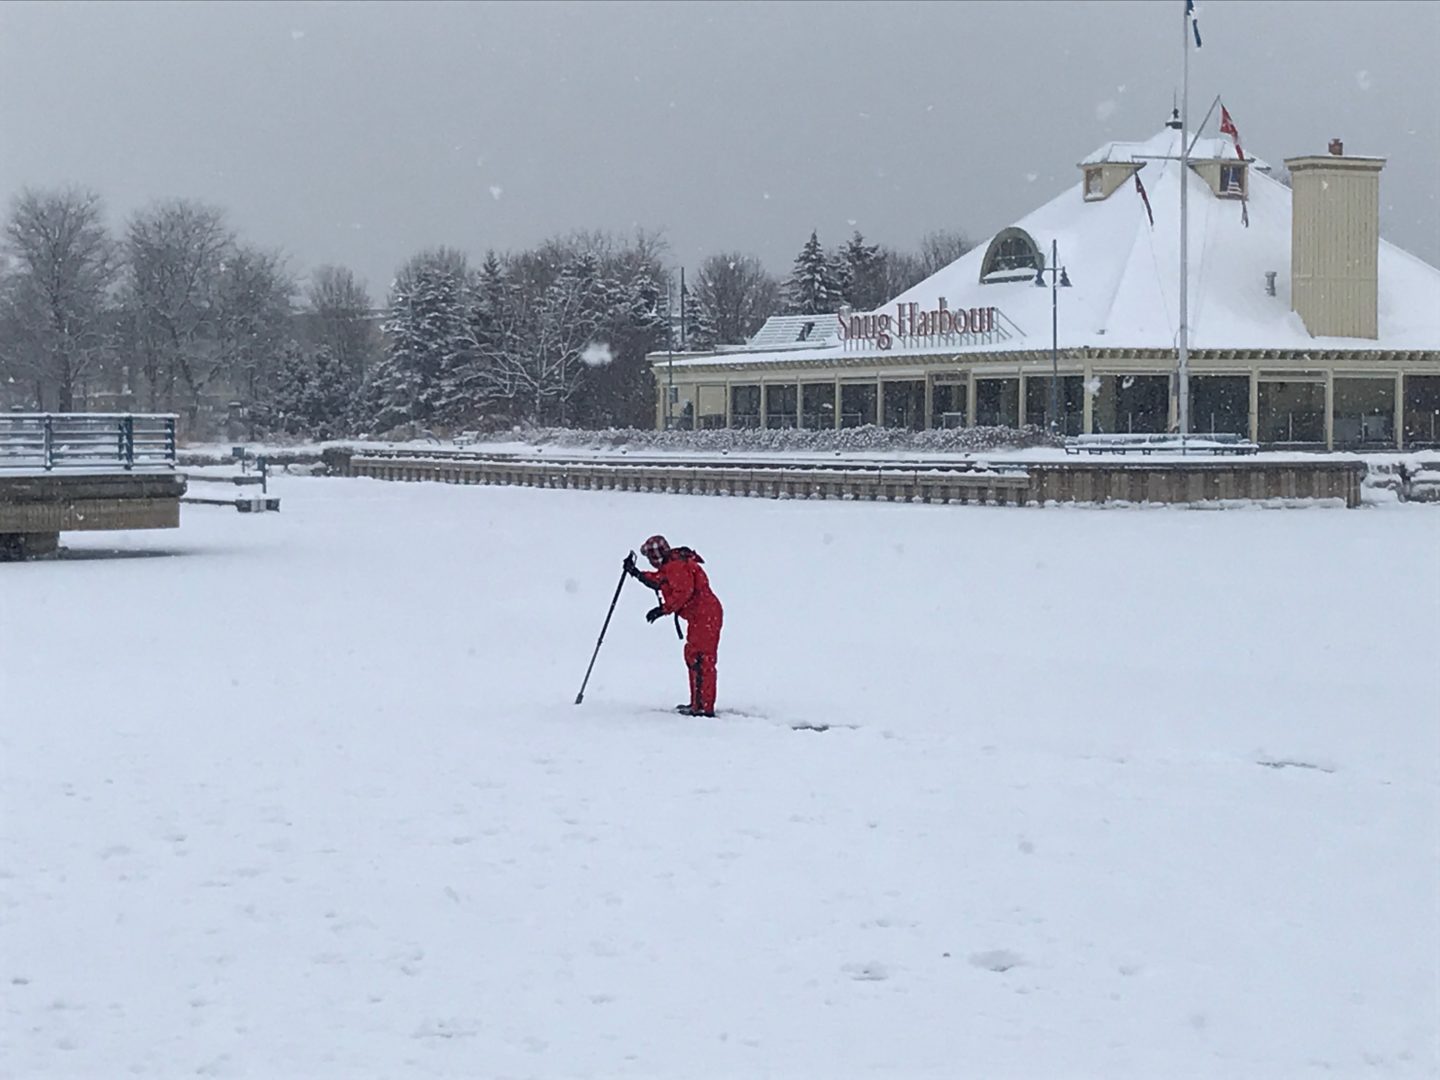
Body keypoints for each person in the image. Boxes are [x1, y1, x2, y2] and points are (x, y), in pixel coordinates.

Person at [623, 534, 724, 717]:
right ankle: (698, 703)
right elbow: (661, 580)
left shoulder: (677, 565)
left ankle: (703, 707)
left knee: (701, 660)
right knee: (694, 657)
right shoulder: (673, 564)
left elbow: (683, 592)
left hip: (705, 616)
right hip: (701, 616)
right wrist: (637, 573)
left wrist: (663, 609)